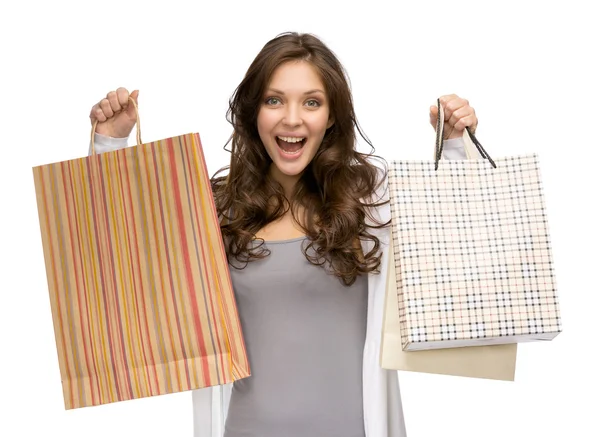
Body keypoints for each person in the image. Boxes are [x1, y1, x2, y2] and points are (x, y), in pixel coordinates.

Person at [88, 32, 476, 437]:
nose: (292, 118)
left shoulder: (372, 199)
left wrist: (451, 145)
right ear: (254, 112)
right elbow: (123, 267)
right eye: (274, 100)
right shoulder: (213, 208)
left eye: (312, 102)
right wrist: (109, 143)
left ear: (331, 117)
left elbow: (454, 254)